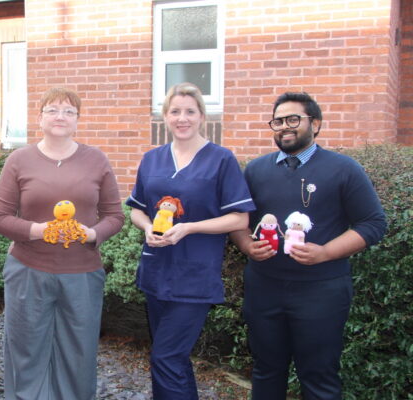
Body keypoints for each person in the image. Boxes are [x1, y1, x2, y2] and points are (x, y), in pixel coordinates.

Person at [229, 92, 386, 399]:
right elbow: (238, 221)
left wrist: (325, 252)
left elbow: (373, 223)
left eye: (293, 119)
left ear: (315, 124)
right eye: (278, 121)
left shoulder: (343, 168)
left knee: (318, 375)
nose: (284, 127)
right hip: (264, 287)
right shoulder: (256, 170)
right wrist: (247, 244)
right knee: (266, 369)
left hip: (321, 290)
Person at [0, 87, 124, 400]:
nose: (60, 116)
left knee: (78, 355)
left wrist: (91, 234)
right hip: (28, 270)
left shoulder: (96, 160)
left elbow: (114, 216)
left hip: (82, 274)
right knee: (25, 351)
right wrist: (38, 230)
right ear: (39, 118)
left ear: (78, 120)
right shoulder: (19, 160)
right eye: (52, 110)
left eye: (69, 111)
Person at [125, 83, 254, 399]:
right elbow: (137, 211)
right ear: (165, 117)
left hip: (194, 275)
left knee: (165, 356)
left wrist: (190, 227)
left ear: (201, 117)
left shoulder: (221, 160)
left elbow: (240, 219)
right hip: (156, 271)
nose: (182, 118)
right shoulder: (152, 159)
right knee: (171, 358)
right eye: (175, 111)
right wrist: (146, 228)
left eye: (189, 111)